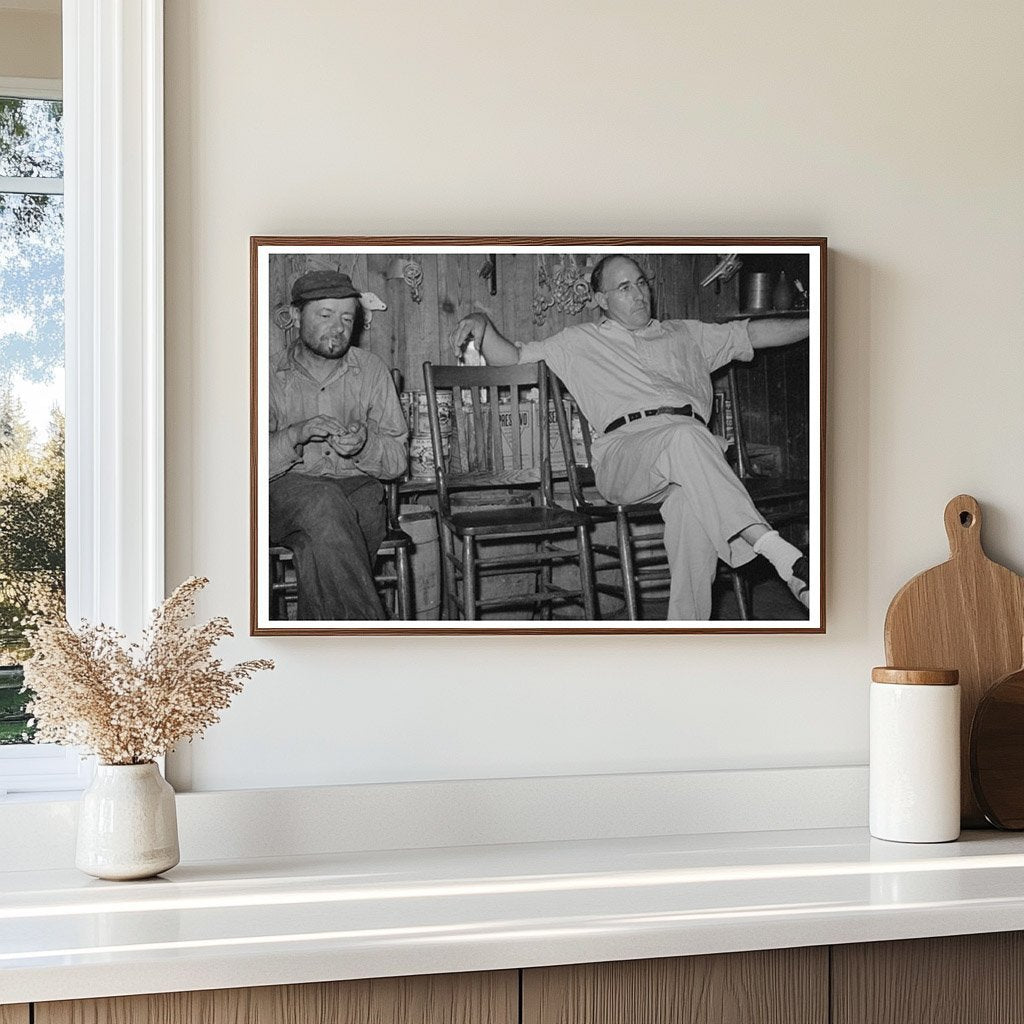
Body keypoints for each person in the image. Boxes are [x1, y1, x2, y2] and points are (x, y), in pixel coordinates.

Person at [449, 254, 811, 621]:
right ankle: (783, 557)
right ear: (601, 300)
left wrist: (817, 323)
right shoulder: (578, 342)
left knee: (691, 503)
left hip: (690, 456)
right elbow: (511, 357)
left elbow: (751, 333)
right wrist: (483, 323)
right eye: (624, 287)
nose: (639, 294)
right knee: (688, 436)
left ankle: (686, 634)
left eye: (641, 283)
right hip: (625, 456)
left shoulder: (685, 333)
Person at [269, 270, 408, 620]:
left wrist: (365, 445)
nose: (338, 328)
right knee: (324, 499)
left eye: (347, 318)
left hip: (356, 491)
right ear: (297, 316)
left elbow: (397, 461)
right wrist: (295, 435)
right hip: (284, 496)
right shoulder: (267, 374)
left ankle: (322, 647)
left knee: (318, 542)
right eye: (325, 315)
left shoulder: (372, 370)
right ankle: (371, 634)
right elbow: (241, 467)